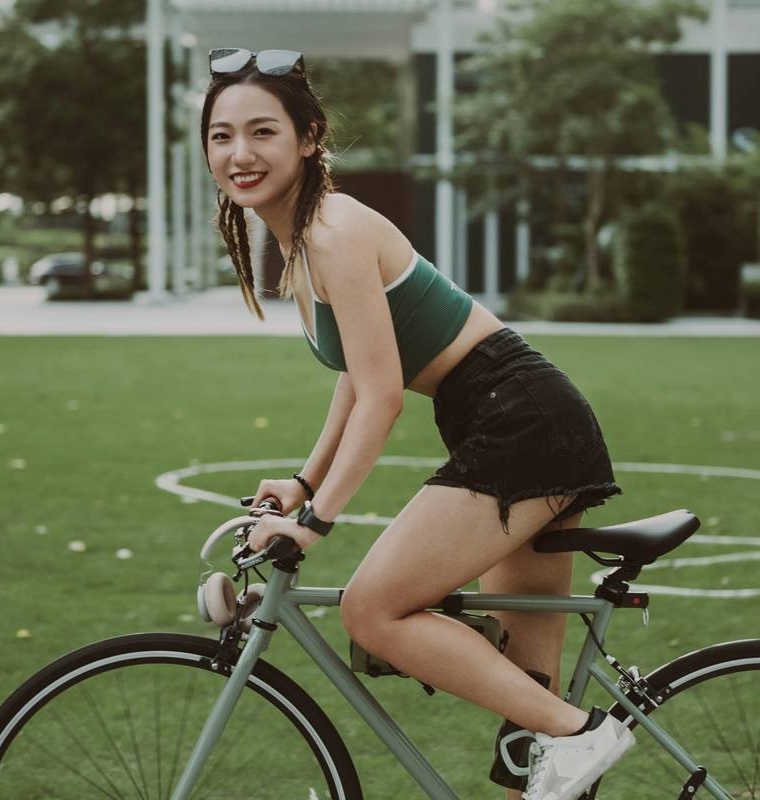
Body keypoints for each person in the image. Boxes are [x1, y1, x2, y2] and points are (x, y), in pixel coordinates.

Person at [201, 47, 632, 800]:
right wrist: (304, 481)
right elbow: (360, 375)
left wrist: (318, 523)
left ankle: (587, 732)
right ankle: (566, 736)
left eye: (263, 132)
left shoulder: (330, 232)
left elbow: (382, 396)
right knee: (529, 723)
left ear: (308, 139)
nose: (240, 153)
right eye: (221, 136)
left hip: (519, 421)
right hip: (506, 420)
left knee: (373, 610)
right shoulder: (298, 238)